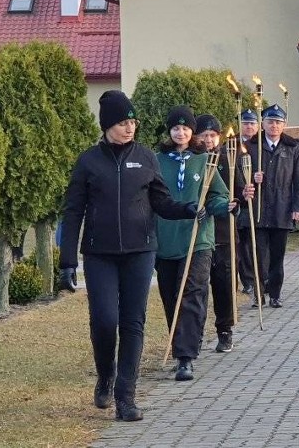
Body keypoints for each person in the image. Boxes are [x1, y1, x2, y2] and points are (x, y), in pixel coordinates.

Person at [59, 91, 202, 421]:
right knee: (106, 320)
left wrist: (187, 209)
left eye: (134, 122)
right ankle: (105, 375)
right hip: (99, 254)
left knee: (132, 323)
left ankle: (126, 396)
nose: (130, 128)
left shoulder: (147, 158)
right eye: (124, 122)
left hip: (140, 251)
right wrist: (67, 261)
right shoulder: (88, 162)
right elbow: (73, 212)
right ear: (108, 124)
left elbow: (162, 202)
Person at [154, 106, 233, 381]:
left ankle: (185, 357)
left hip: (199, 240)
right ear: (169, 131)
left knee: (192, 294)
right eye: (176, 128)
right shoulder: (157, 161)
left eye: (185, 127)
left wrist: (226, 206)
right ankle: (179, 345)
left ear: (192, 131)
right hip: (166, 239)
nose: (181, 132)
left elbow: (216, 196)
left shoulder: (205, 161)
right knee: (171, 297)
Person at [195, 112, 253, 354]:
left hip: (224, 233)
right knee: (197, 288)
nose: (208, 140)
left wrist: (245, 194)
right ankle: (194, 334)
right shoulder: (193, 159)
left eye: (212, 135)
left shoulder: (229, 158)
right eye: (204, 135)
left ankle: (225, 330)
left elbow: (238, 190)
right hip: (199, 233)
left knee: (224, 284)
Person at [247, 104, 299, 308]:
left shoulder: (292, 147)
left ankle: (275, 293)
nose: (274, 126)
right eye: (270, 122)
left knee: (277, 256)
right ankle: (258, 293)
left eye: (278, 122)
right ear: (262, 124)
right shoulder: (251, 146)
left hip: (281, 209)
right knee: (259, 256)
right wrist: (251, 177)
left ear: (284, 125)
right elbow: (239, 173)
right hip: (257, 209)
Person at [236, 109, 260, 295]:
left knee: (258, 244)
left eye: (252, 123)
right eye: (245, 123)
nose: (249, 126)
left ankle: (262, 277)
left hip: (258, 200)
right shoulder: (232, 144)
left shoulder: (261, 144)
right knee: (242, 244)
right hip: (239, 200)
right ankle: (248, 280)